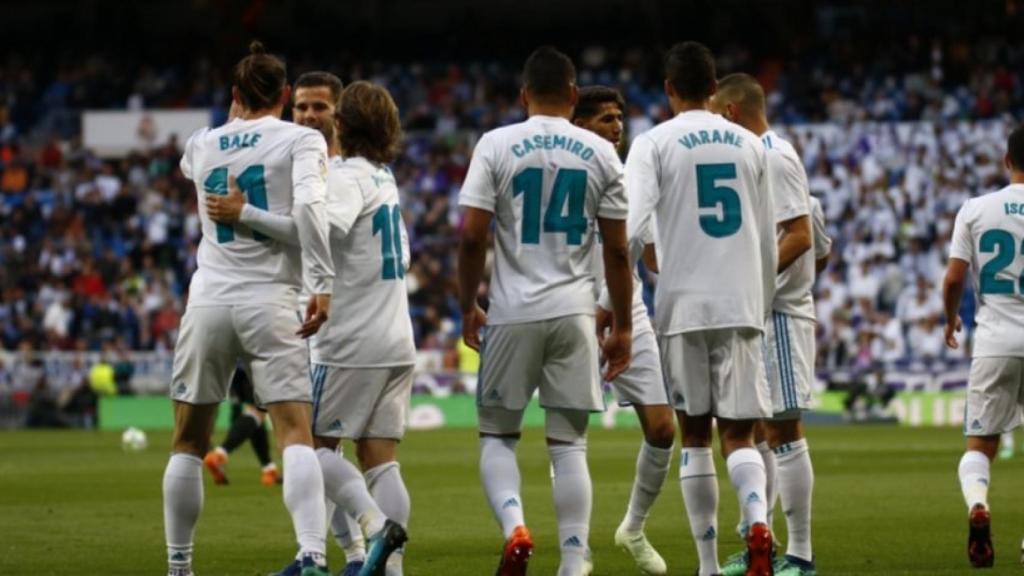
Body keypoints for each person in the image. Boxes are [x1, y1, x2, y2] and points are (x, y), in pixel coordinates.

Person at [207, 77, 408, 576]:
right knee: (379, 460)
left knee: (306, 446)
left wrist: (243, 213)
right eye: (302, 106)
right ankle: (374, 564)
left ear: (341, 118)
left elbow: (312, 229)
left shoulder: (340, 177)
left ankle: (370, 531)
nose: (310, 116)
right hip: (393, 333)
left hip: (348, 339)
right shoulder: (382, 175)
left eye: (322, 107)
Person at [458, 46, 634, 576]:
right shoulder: (601, 153)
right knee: (568, 445)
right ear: (575, 95)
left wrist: (469, 303)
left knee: (497, 436)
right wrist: (622, 325)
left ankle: (515, 526)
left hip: (512, 312)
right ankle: (575, 559)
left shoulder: (496, 143)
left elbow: (470, 237)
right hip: (577, 312)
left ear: (523, 95)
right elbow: (619, 251)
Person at [163, 41, 335, 576]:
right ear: (287, 95)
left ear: (235, 95)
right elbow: (308, 209)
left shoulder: (202, 143)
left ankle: (179, 566)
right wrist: (322, 281)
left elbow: (194, 162)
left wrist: (233, 126)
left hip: (209, 299)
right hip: (272, 299)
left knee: (188, 440)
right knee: (293, 432)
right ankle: (311, 553)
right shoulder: (303, 139)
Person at [625, 42, 778, 576]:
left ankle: (709, 566)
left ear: (668, 89)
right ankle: (758, 521)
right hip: (742, 303)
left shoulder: (653, 143)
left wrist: (614, 301)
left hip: (684, 305)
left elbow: (630, 226)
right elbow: (765, 238)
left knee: (694, 437)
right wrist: (758, 303)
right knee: (739, 435)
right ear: (715, 89)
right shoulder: (752, 145)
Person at [710, 73, 827, 576]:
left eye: (716, 115)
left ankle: (801, 554)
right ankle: (766, 543)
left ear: (731, 112)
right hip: (765, 308)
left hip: (775, 310)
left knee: (783, 426)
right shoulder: (769, 154)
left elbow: (799, 236)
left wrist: (754, 281)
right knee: (757, 424)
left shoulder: (772, 155)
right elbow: (820, 238)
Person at [572, 85, 675, 576]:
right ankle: (578, 546)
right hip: (572, 313)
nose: (616, 128)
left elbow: (650, 258)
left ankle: (632, 528)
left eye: (618, 119)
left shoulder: (636, 183)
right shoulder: (563, 181)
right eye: (604, 120)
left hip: (625, 312)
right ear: (578, 126)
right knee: (568, 434)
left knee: (662, 427)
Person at [944, 124, 1024, 569]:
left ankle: (979, 503)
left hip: (995, 341)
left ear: (1006, 160)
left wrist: (949, 317)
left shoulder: (976, 209)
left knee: (979, 445)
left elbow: (955, 276)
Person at [202, 368, 281, 486]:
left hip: (232, 366)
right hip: (252, 363)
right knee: (257, 412)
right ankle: (219, 454)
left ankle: (269, 469)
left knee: (256, 417)